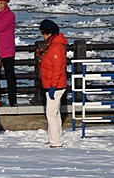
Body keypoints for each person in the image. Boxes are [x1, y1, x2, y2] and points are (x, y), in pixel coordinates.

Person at [37, 19, 68, 148]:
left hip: (55, 85)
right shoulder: (52, 45)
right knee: (55, 113)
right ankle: (56, 138)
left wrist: (53, 86)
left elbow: (57, 68)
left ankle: (55, 141)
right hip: (53, 84)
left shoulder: (55, 46)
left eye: (43, 33)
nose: (42, 36)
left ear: (49, 33)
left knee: (51, 113)